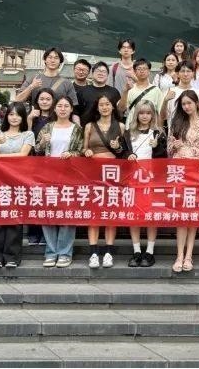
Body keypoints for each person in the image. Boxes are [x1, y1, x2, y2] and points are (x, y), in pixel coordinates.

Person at [83, 95, 134, 268]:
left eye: (107, 104)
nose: (104, 107)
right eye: (101, 104)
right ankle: (93, 252)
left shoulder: (120, 126)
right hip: (94, 174)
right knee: (94, 213)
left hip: (113, 175)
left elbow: (126, 151)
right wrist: (86, 151)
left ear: (113, 107)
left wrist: (117, 148)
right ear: (97, 107)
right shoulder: (89, 126)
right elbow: (83, 148)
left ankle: (108, 252)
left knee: (110, 213)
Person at [35, 96, 84, 268]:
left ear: (71, 109)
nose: (63, 109)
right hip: (48, 175)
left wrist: (72, 154)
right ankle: (51, 252)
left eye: (66, 106)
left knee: (67, 213)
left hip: (69, 176)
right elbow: (37, 149)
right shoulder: (47, 127)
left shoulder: (77, 129)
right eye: (60, 106)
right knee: (48, 213)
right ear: (55, 109)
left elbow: (82, 151)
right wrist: (43, 142)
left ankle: (64, 252)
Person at [0, 102, 34, 268]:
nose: (14, 118)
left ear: (23, 118)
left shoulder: (28, 134)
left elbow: (23, 154)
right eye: (11, 114)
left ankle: (12, 256)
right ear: (6, 116)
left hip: (18, 179)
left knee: (15, 215)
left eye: (18, 115)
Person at [168, 90, 199, 273]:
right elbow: (169, 150)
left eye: (189, 103)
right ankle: (179, 255)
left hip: (196, 173)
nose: (186, 107)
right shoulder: (176, 123)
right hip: (179, 172)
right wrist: (174, 145)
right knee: (182, 215)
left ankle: (188, 255)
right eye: (183, 104)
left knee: (192, 215)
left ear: (196, 103)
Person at [126, 100, 167, 268]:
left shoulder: (159, 133)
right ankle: (136, 251)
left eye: (148, 113)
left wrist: (157, 147)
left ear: (153, 115)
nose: (144, 116)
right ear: (137, 114)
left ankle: (149, 251)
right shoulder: (129, 133)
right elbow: (122, 154)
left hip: (151, 180)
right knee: (134, 216)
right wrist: (127, 155)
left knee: (150, 216)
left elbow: (163, 158)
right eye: (141, 113)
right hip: (133, 180)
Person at [15, 48, 78, 124]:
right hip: (35, 122)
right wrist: (31, 86)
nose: (52, 60)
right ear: (45, 60)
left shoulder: (67, 83)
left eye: (56, 58)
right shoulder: (33, 79)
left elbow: (73, 107)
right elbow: (18, 100)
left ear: (60, 62)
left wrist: (76, 125)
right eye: (50, 57)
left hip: (58, 123)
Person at [26, 87, 56, 246]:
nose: (44, 102)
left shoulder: (57, 117)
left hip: (51, 163)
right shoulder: (32, 116)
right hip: (34, 162)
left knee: (49, 199)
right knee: (35, 198)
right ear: (37, 101)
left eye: (48, 99)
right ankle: (33, 232)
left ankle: (46, 234)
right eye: (42, 99)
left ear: (53, 101)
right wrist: (30, 119)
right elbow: (26, 137)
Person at [160, 61, 199, 132]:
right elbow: (163, 117)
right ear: (177, 74)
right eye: (182, 71)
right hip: (174, 134)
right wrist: (165, 101)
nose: (185, 74)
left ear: (193, 74)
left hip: (194, 134)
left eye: (188, 71)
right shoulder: (169, 92)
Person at [119, 58, 163, 127]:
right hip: (132, 127)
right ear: (134, 71)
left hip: (150, 129)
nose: (142, 71)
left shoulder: (156, 90)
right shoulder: (130, 89)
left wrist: (159, 129)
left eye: (144, 69)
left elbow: (160, 113)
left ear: (149, 71)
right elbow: (121, 109)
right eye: (139, 69)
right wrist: (125, 91)